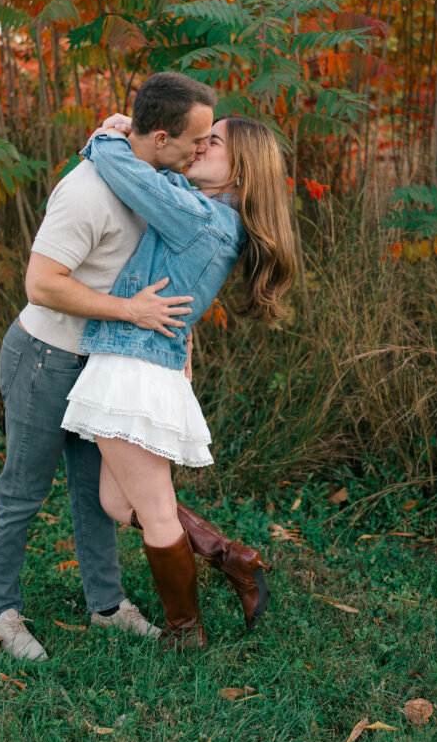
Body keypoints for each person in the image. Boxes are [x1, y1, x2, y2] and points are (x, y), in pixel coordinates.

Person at [0, 72, 217, 661]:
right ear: (161, 137)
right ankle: (3, 612)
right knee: (24, 489)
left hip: (102, 365)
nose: (200, 150)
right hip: (44, 356)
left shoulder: (153, 180)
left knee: (93, 495)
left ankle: (107, 606)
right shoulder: (86, 192)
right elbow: (40, 283)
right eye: (194, 140)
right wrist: (129, 311)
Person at [61, 114, 297, 650]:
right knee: (120, 504)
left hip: (132, 368)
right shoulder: (208, 212)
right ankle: (230, 558)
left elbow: (128, 174)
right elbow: (161, 180)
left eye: (212, 142)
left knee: (156, 511)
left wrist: (108, 133)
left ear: (241, 170)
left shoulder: (203, 219)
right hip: (138, 361)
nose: (198, 147)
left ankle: (185, 630)